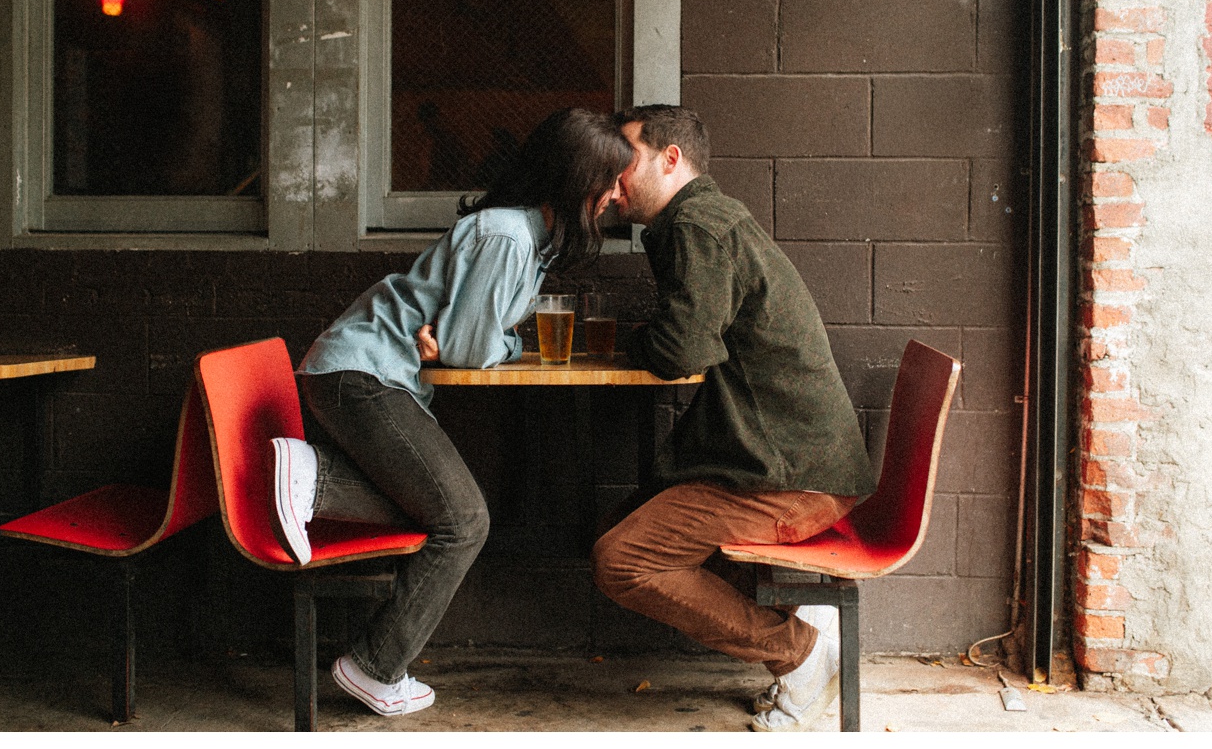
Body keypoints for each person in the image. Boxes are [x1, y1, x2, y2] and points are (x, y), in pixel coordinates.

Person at [269, 108, 632, 718]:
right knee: (464, 520)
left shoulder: (530, 239)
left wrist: (493, 342)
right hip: (361, 375)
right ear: (579, 182)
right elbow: (469, 349)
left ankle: (314, 482)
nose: (620, 195)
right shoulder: (508, 237)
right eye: (612, 181)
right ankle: (372, 663)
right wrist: (484, 342)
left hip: (369, 377)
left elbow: (476, 341)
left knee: (450, 510)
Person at [591, 104, 878, 733]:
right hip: (789, 462)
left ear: (671, 160)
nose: (613, 180)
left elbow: (683, 350)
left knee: (623, 559)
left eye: (625, 159)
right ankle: (804, 635)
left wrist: (634, 340)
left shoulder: (696, 223)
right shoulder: (703, 220)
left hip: (789, 476)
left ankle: (799, 654)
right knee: (627, 523)